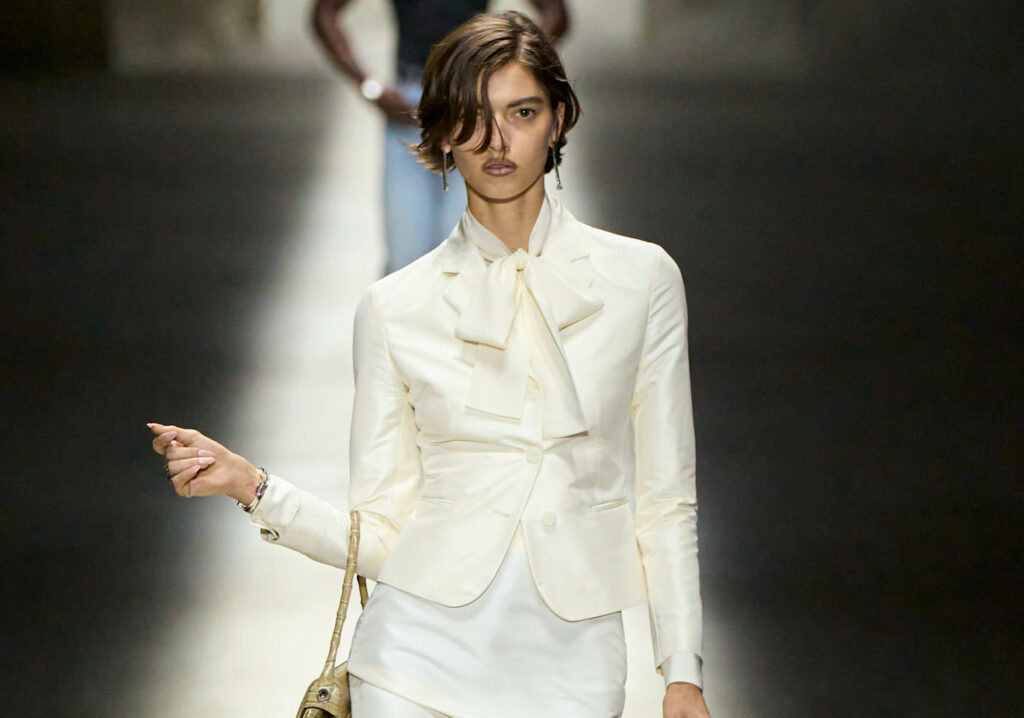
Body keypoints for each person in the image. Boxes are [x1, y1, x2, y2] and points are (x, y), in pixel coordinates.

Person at [149, 10, 710, 718]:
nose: (497, 140)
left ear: (559, 119)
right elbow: (378, 533)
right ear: (442, 131)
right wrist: (254, 487)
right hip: (413, 663)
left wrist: (682, 670)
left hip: (576, 666)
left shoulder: (642, 280)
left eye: (522, 112)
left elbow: (666, 501)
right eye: (472, 116)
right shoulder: (394, 308)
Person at [311, 0, 569, 275]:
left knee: (473, 258)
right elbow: (324, 13)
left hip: (470, 104)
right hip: (410, 108)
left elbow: (556, 12)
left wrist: (510, 69)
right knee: (406, 261)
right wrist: (370, 88)